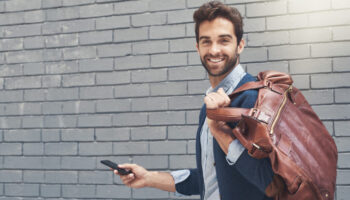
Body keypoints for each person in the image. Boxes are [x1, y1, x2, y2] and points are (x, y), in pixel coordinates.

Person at [114, 1, 275, 200]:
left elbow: (271, 183)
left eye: (224, 40)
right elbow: (211, 179)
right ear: (197, 47)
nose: (214, 50)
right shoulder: (210, 104)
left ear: (240, 45)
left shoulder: (253, 99)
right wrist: (148, 177)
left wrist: (219, 130)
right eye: (206, 41)